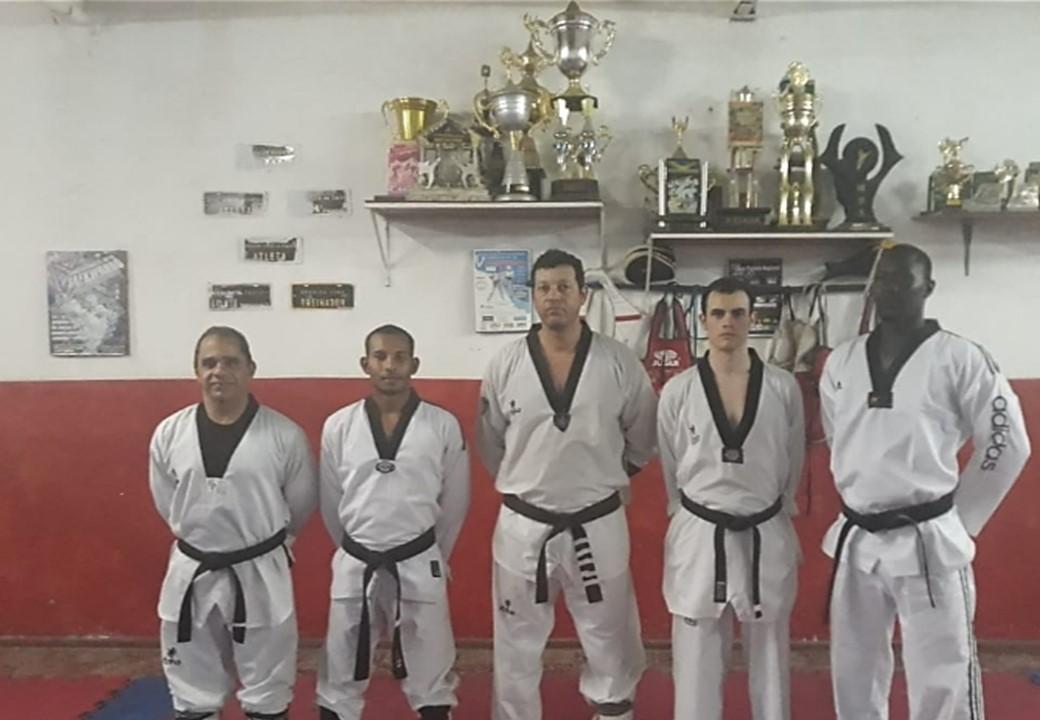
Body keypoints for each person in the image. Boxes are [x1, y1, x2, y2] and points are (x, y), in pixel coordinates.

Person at [820, 243, 1031, 720]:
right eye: (882, 280)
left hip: (929, 538)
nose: (888, 289)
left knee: (942, 670)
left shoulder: (961, 357)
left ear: (928, 288)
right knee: (853, 669)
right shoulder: (842, 360)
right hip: (858, 537)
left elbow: (1007, 442)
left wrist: (961, 520)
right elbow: (840, 435)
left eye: (903, 280)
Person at [477, 249, 658, 720]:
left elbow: (642, 437)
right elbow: (492, 442)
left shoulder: (618, 361)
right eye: (543, 288)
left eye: (563, 286)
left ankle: (613, 711)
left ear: (582, 295)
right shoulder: (505, 363)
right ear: (532, 297)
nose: (553, 296)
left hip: (597, 519)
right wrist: (529, 482)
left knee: (609, 631)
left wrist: (601, 479)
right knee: (516, 639)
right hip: (523, 523)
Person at [149, 326, 317, 720]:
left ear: (250, 368)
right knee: (192, 683)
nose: (219, 371)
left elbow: (301, 503)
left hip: (259, 568)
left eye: (230, 362)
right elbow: (167, 500)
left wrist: (268, 541)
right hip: (193, 567)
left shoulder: (284, 435)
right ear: (196, 370)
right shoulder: (170, 433)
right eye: (209, 363)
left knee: (268, 680)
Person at [658, 277, 805, 720]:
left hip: (765, 527)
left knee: (771, 656)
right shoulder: (679, 390)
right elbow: (671, 466)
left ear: (752, 318)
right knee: (696, 660)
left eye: (738, 313)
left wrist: (777, 505)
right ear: (703, 320)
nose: (728, 322)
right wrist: (691, 509)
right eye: (718, 314)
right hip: (699, 532)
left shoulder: (782, 387)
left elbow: (792, 459)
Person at [316, 324, 470, 720]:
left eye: (400, 357)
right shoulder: (339, 426)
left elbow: (455, 501)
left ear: (414, 364)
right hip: (356, 559)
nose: (390, 366)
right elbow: (331, 500)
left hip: (418, 558)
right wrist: (356, 545)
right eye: (380, 356)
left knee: (431, 667)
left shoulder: (442, 425)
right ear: (365, 363)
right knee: (340, 668)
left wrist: (433, 553)